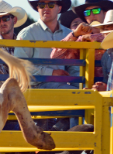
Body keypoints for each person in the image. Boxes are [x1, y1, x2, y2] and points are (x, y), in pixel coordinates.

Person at [14, 0, 77, 131]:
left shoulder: (68, 34)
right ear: (37, 8)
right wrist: (52, 73)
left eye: (51, 4)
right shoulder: (27, 33)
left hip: (62, 86)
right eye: (42, 5)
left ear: (59, 8)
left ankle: (71, 139)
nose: (45, 8)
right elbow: (20, 67)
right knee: (74, 94)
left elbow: (74, 66)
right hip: (36, 85)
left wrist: (80, 84)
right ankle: (72, 140)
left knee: (82, 93)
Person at [52, 6, 113, 78]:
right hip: (91, 86)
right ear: (85, 18)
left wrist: (92, 37)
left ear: (105, 13)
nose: (91, 15)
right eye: (87, 13)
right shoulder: (81, 39)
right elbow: (55, 57)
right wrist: (74, 34)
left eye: (96, 11)